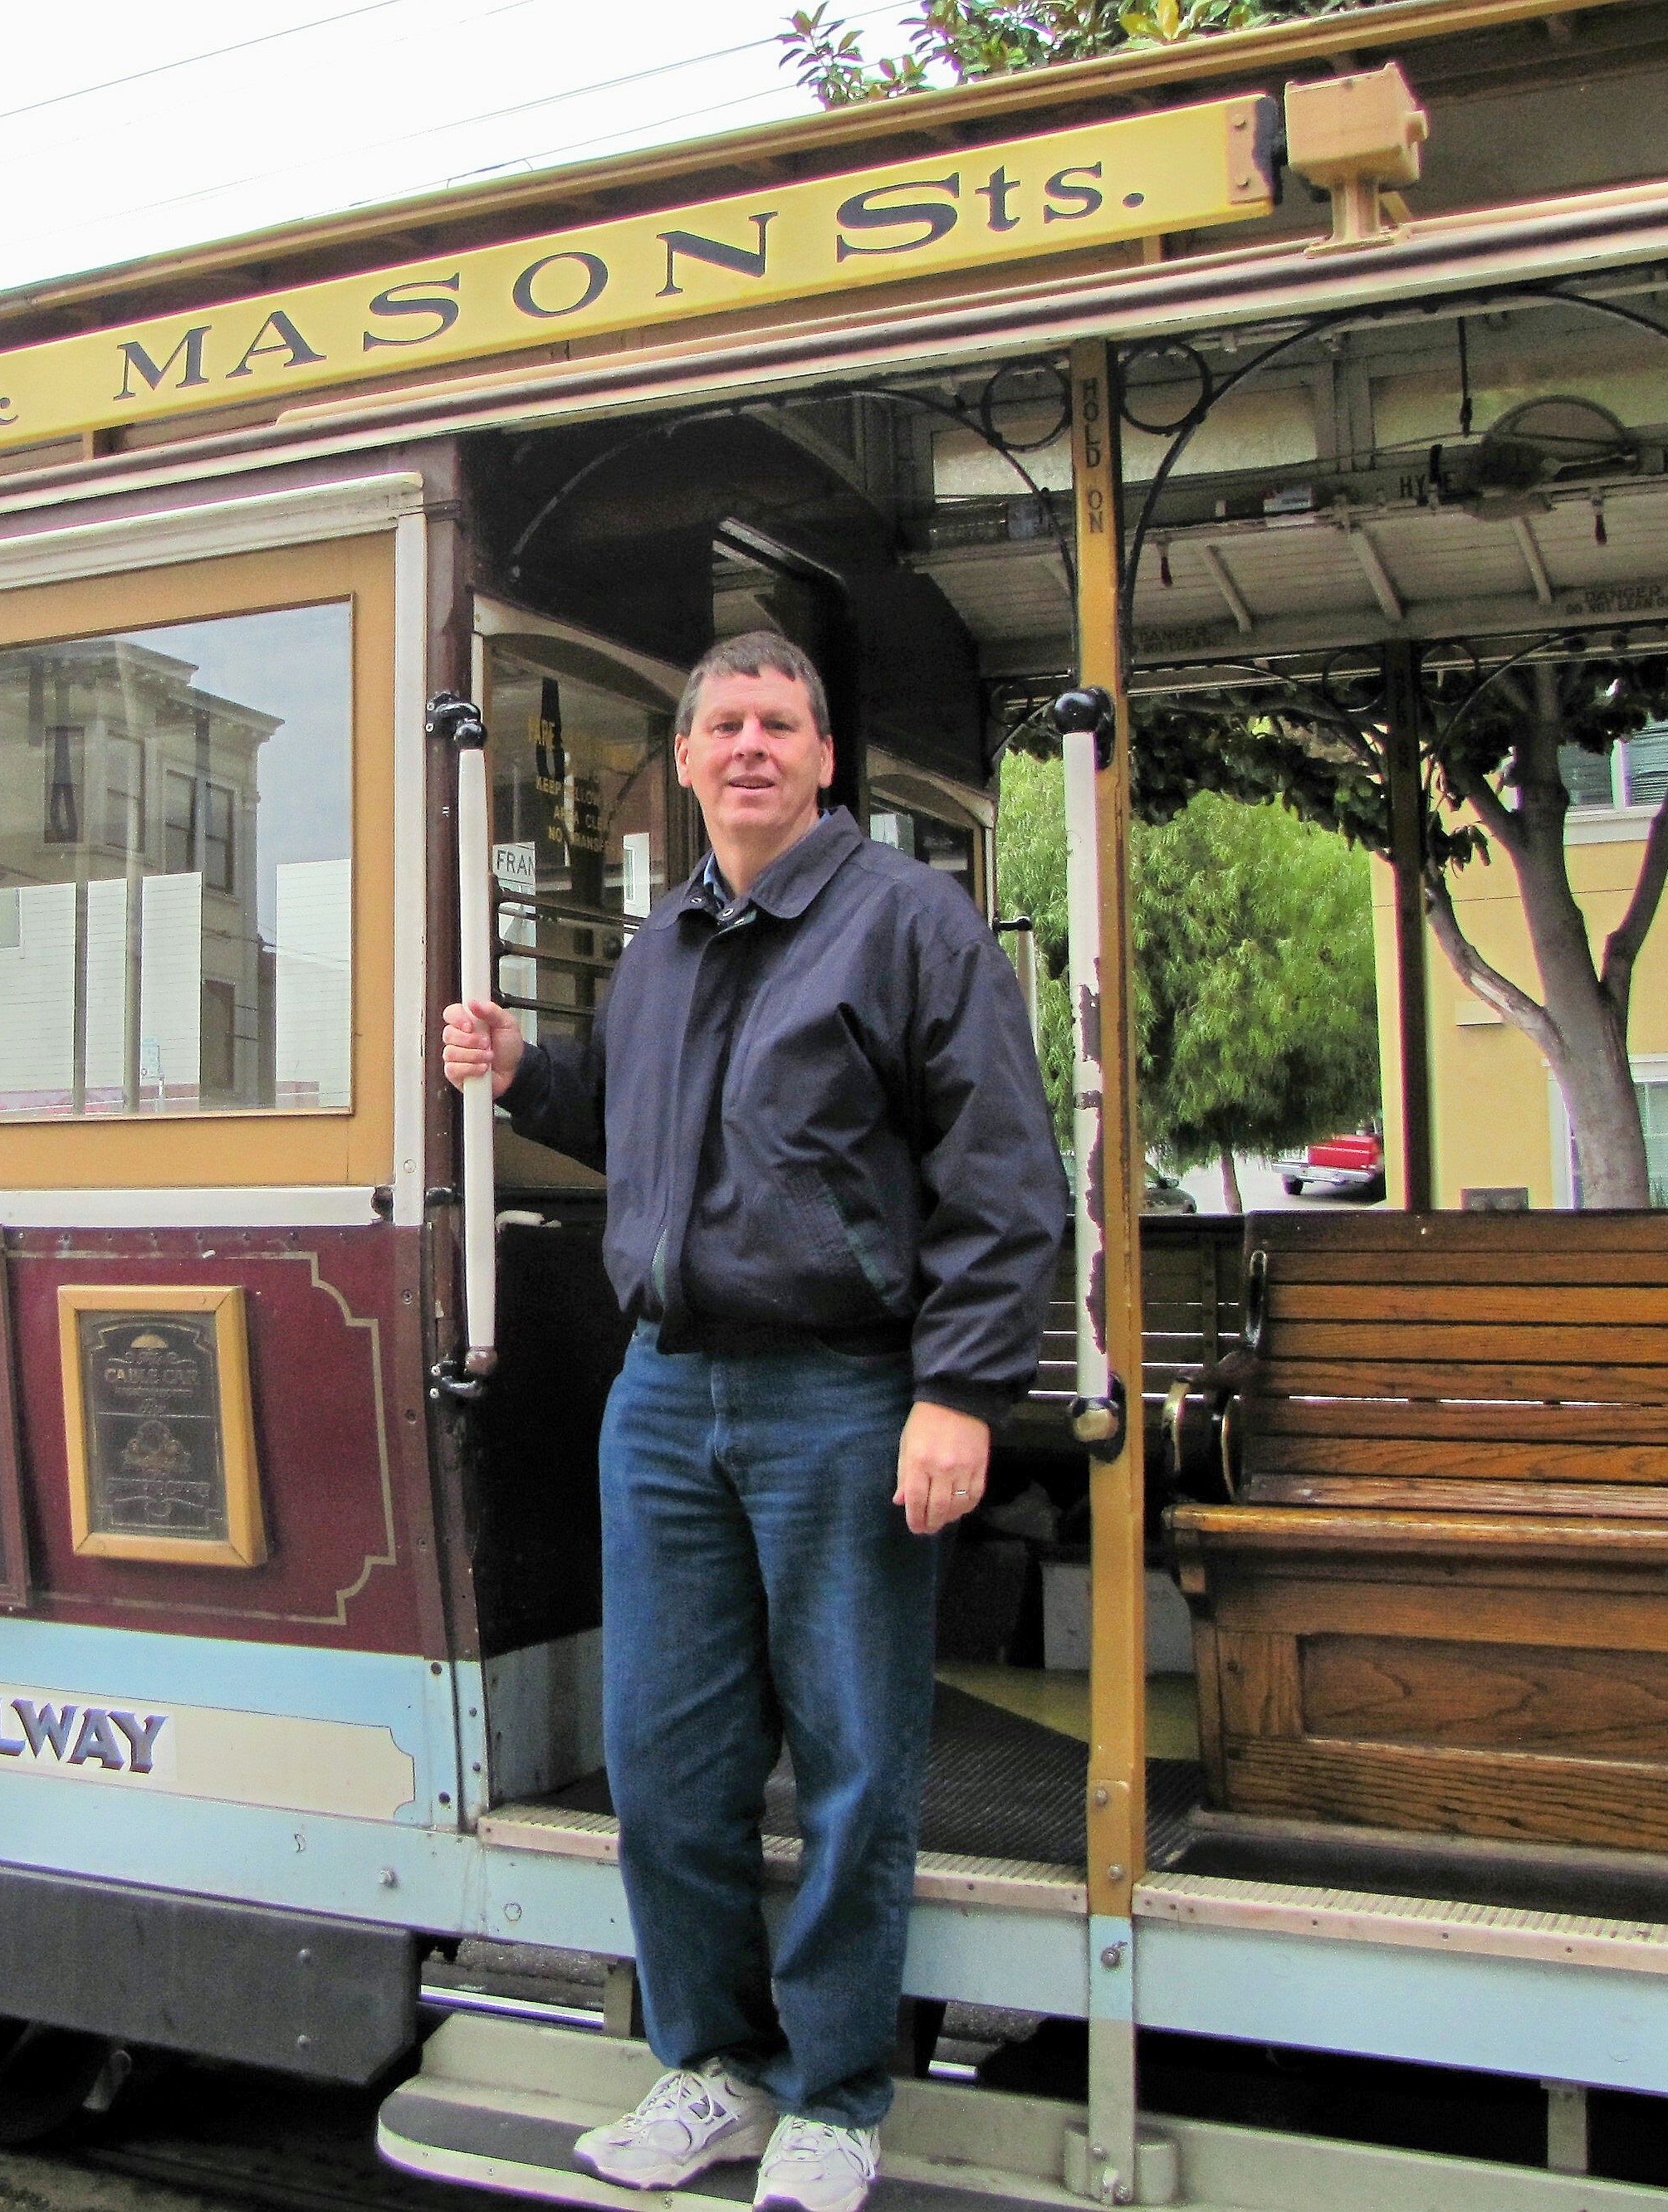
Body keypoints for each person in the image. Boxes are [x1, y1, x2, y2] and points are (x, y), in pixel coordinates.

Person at [442, 631, 1064, 2212]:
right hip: (663, 1396)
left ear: (824, 756)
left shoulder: (909, 924)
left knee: (854, 1757)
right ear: (687, 757)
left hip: (841, 1392)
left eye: (779, 722)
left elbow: (1004, 1176)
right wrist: (523, 1073)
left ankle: (837, 2095)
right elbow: (639, 1120)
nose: (749, 746)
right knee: (664, 1758)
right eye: (722, 723)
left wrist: (957, 1391)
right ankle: (711, 2066)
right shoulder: (665, 942)